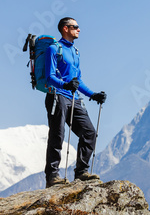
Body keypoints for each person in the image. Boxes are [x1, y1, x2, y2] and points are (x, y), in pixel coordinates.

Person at [44, 17, 107, 188]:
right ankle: (52, 176)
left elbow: (78, 80)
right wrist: (65, 84)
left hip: (74, 98)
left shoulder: (76, 52)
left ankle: (81, 173)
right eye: (75, 27)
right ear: (65, 29)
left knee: (89, 133)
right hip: (57, 95)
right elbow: (50, 77)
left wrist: (93, 94)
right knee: (58, 135)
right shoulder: (53, 49)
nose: (79, 29)